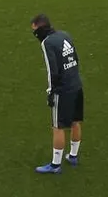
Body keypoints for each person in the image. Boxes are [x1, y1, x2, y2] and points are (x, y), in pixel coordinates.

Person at [31, 14, 83, 174]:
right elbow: (76, 59)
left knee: (58, 126)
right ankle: (73, 156)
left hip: (63, 89)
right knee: (75, 121)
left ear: (41, 28)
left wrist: (51, 92)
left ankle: (55, 165)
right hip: (76, 84)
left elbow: (51, 71)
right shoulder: (65, 35)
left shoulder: (47, 43)